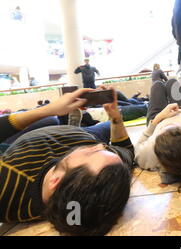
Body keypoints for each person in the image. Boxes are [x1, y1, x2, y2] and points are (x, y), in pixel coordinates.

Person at [0, 88, 134, 236]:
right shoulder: (107, 172)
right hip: (86, 136)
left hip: (37, 137)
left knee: (50, 119)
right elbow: (125, 149)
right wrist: (114, 115)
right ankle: (75, 123)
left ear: (55, 181)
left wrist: (46, 110)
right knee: (109, 125)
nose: (101, 146)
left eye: (91, 152)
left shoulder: (6, 182)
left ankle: (70, 121)